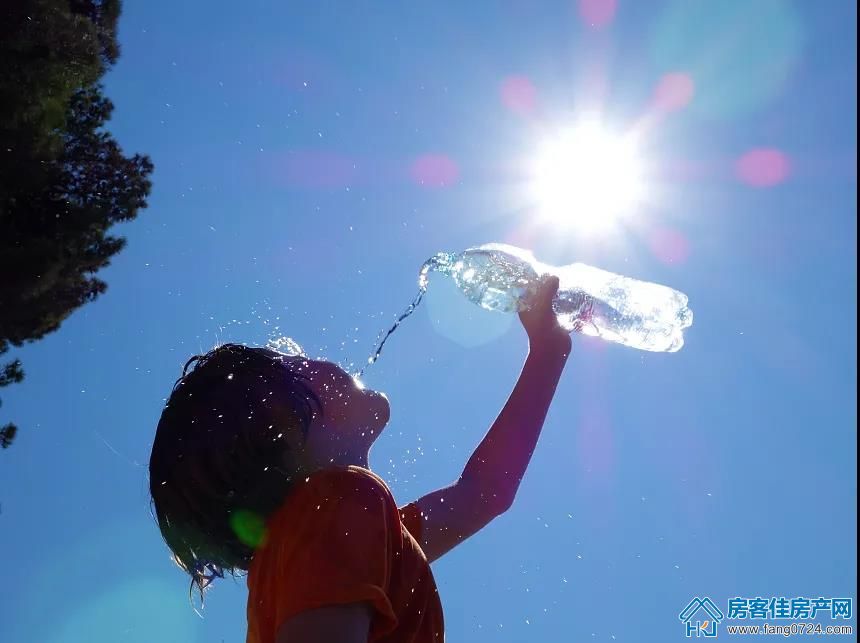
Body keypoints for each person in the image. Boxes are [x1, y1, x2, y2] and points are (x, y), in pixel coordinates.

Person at [149, 276, 571, 643]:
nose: (320, 359)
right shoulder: (337, 505)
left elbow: (483, 493)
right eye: (297, 364)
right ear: (285, 427)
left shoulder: (340, 536)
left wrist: (548, 351)